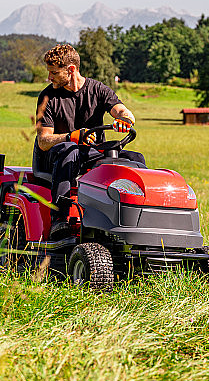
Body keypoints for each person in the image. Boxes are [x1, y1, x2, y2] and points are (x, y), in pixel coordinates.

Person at [35, 44, 145, 238]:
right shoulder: (48, 97)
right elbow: (43, 140)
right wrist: (72, 136)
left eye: (54, 73)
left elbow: (120, 110)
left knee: (134, 158)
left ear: (71, 70)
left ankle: (137, 215)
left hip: (91, 155)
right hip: (58, 155)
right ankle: (59, 219)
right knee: (72, 150)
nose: (49, 77)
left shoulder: (97, 89)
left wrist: (125, 120)